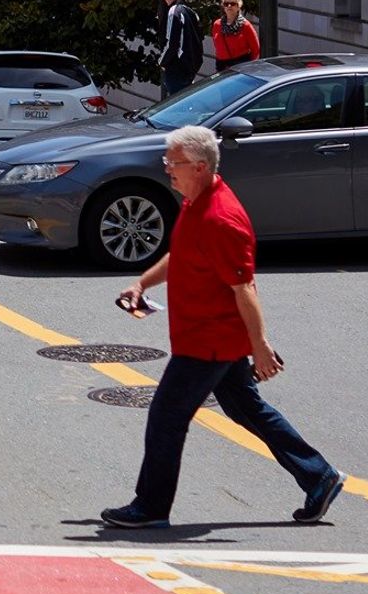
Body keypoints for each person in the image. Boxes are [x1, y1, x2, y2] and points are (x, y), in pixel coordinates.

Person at [101, 126, 343, 530]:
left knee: (166, 416)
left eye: (172, 163)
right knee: (246, 408)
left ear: (198, 166)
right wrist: (142, 283)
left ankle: (151, 507)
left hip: (209, 341)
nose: (166, 169)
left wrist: (260, 346)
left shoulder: (221, 218)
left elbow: (244, 287)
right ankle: (318, 476)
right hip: (206, 337)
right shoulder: (195, 201)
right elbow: (181, 255)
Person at [157, 0, 202, 98]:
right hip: (189, 68)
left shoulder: (173, 12)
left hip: (177, 69)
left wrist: (162, 61)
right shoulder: (190, 12)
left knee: (175, 106)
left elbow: (171, 44)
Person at [211, 0, 261, 69]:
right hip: (221, 66)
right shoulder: (217, 24)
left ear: (238, 6)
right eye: (226, 4)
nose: (229, 6)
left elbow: (255, 48)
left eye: (233, 3)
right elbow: (216, 44)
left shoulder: (245, 25)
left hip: (240, 66)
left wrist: (249, 66)